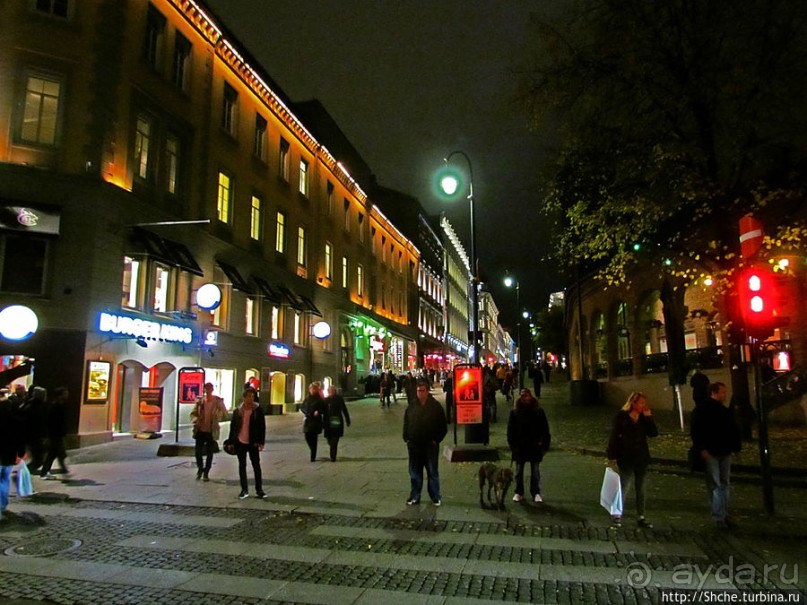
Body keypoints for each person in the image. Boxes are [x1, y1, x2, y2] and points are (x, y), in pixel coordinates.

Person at [691, 382, 742, 529]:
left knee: (721, 483)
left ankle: (722, 513)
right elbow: (696, 431)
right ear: (714, 392)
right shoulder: (705, 410)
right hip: (714, 451)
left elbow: (732, 429)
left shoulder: (719, 410)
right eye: (722, 392)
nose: (724, 395)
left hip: (722, 450)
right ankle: (719, 515)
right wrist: (702, 448)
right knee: (717, 483)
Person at [606, 391, 658, 528]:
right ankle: (617, 514)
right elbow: (615, 436)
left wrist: (649, 418)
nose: (643, 406)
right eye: (641, 403)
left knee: (640, 488)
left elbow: (653, 433)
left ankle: (641, 515)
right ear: (633, 403)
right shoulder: (622, 417)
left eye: (644, 404)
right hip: (626, 456)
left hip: (641, 456)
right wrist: (612, 455)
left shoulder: (643, 418)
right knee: (623, 486)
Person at [403, 380, 448, 506]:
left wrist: (436, 440)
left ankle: (435, 496)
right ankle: (415, 496)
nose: (420, 393)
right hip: (414, 445)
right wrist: (406, 437)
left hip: (430, 445)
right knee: (415, 473)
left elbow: (442, 426)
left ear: (427, 391)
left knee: (432, 471)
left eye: (422, 391)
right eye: (418, 391)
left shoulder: (435, 406)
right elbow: (406, 422)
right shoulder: (412, 406)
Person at [507, 388, 551, 504]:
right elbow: (510, 431)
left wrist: (544, 446)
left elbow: (545, 429)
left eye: (527, 396)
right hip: (520, 447)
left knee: (535, 471)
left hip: (534, 446)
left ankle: (535, 492)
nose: (525, 398)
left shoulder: (538, 412)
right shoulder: (515, 413)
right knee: (519, 471)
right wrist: (513, 446)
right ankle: (519, 492)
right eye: (523, 396)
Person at [227, 387, 266, 499]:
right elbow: (233, 427)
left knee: (256, 465)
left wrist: (261, 442)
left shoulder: (257, 410)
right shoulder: (238, 411)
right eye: (249, 396)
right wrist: (231, 441)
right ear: (244, 397)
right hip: (240, 441)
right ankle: (244, 489)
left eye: (252, 396)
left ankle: (259, 489)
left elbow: (262, 427)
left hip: (253, 442)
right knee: (242, 466)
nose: (251, 398)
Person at [190, 382, 228, 481]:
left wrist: (218, 415)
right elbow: (193, 413)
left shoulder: (217, 401)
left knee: (209, 452)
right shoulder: (200, 401)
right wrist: (195, 420)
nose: (207, 391)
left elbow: (224, 412)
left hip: (211, 430)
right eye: (206, 389)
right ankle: (200, 468)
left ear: (212, 390)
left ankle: (206, 472)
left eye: (209, 389)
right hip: (200, 429)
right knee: (198, 451)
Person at [0, 388, 26, 520]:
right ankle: (2, 505)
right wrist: (21, 453)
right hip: (8, 453)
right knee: (4, 479)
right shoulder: (15, 420)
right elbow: (20, 438)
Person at [41, 387, 70, 480]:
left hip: (58, 434)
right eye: (65, 394)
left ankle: (45, 472)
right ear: (59, 396)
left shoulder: (62, 405)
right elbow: (51, 422)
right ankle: (64, 471)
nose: (67, 395)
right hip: (55, 434)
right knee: (60, 453)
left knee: (53, 454)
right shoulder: (55, 407)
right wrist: (49, 435)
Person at [323, 385, 351, 462]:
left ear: (335, 391)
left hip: (336, 419)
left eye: (332, 391)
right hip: (327, 421)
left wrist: (347, 419)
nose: (331, 392)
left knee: (335, 437)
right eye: (330, 391)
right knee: (329, 438)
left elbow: (344, 409)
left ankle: (333, 456)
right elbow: (322, 410)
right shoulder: (326, 400)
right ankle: (332, 447)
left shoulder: (339, 399)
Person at [300, 382, 326, 462]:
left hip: (315, 421)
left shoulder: (319, 399)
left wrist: (318, 411)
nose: (312, 390)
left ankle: (313, 455)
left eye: (314, 389)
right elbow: (302, 407)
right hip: (308, 419)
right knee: (307, 436)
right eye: (311, 389)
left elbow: (323, 409)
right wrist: (305, 412)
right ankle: (312, 449)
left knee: (314, 438)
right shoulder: (307, 398)